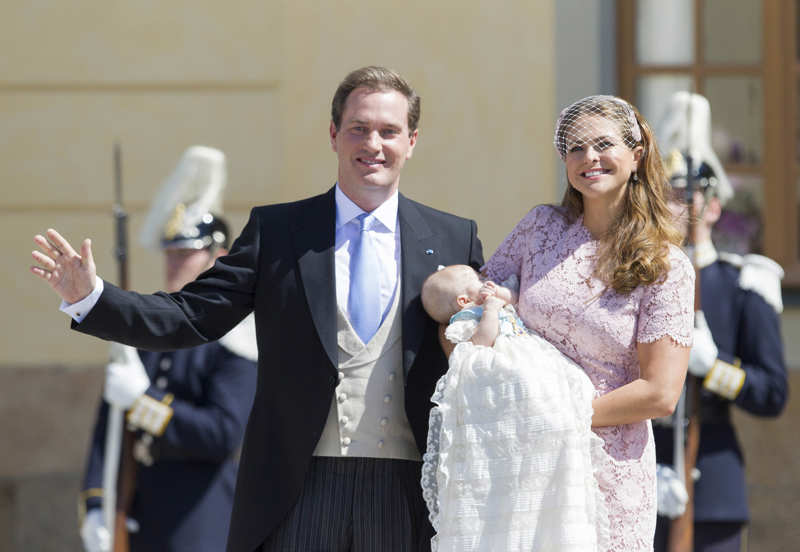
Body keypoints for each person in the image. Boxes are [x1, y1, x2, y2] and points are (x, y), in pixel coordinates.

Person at [31, 66, 483, 552]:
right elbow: (191, 314)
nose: (373, 143)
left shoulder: (454, 237)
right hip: (298, 487)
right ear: (334, 134)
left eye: (389, 131)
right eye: (358, 127)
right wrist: (92, 298)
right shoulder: (279, 231)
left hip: (410, 489)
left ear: (411, 140)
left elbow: (483, 357)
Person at [482, 95, 695, 551]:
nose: (589, 158)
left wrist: (555, 419)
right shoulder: (539, 227)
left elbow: (661, 393)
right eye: (575, 148)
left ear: (636, 156)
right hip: (524, 462)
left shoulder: (666, 266)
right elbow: (475, 307)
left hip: (607, 472)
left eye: (603, 144)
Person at [78, 146, 258, 552]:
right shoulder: (148, 331)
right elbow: (108, 427)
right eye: (170, 254)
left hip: (200, 517)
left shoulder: (236, 337)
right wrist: (96, 503)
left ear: (219, 258)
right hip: (140, 510)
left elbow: (223, 433)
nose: (173, 263)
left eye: (186, 254)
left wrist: (144, 403)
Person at [652, 92, 788, 552]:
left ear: (714, 207)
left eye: (688, 196)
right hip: (640, 466)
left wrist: (713, 368)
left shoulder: (744, 282)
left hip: (712, 475)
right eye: (668, 195)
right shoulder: (637, 278)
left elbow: (771, 393)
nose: (678, 206)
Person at [420, 265, 606, 551]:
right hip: (509, 365)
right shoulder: (468, 318)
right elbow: (483, 342)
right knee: (524, 389)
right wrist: (492, 308)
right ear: (463, 301)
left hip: (534, 355)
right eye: (477, 282)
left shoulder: (489, 299)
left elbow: (515, 294)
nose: (485, 283)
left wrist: (503, 294)